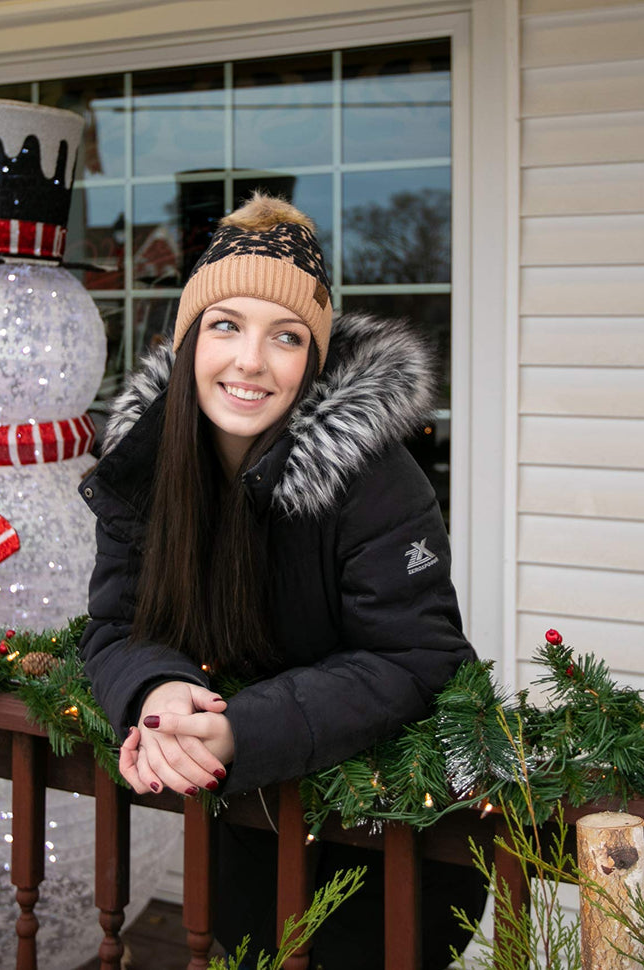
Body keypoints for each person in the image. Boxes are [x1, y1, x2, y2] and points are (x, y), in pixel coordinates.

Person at [78, 193, 486, 968]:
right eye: (226, 325)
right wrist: (156, 693)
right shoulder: (145, 467)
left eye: (286, 338)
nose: (249, 362)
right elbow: (118, 624)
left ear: (314, 357)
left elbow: (417, 658)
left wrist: (238, 730)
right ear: (189, 337)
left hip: (390, 839)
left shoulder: (373, 475)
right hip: (255, 827)